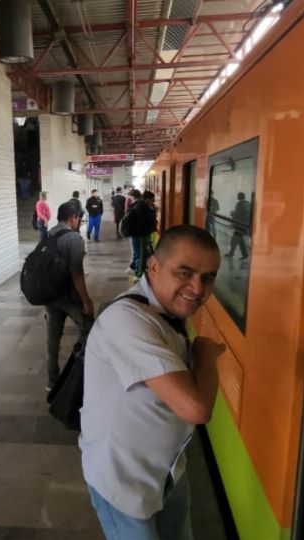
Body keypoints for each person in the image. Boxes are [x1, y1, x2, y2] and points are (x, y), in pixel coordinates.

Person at [80, 225, 225, 540]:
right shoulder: (128, 321)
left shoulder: (166, 312)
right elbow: (196, 409)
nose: (196, 288)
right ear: (154, 267)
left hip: (168, 471)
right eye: (184, 273)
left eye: (207, 278)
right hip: (124, 483)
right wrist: (205, 354)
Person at [44, 201, 95, 390]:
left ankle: (52, 381)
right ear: (73, 218)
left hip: (50, 295)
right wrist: (86, 300)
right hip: (69, 297)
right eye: (79, 218)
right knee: (88, 327)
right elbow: (77, 273)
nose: (79, 222)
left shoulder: (49, 233)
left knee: (53, 339)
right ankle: (76, 374)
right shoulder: (74, 238)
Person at [130, 191, 158, 281]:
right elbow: (146, 221)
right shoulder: (142, 207)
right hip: (141, 234)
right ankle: (139, 274)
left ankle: (134, 268)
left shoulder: (139, 205)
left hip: (138, 233)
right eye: (152, 199)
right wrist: (153, 212)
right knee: (142, 254)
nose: (153, 201)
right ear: (147, 199)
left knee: (139, 252)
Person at [226, 192, 251, 259]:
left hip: (239, 225)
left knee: (234, 240)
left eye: (237, 196)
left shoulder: (240, 204)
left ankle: (231, 254)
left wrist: (232, 213)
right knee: (240, 240)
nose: (237, 197)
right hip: (245, 225)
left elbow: (238, 215)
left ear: (239, 197)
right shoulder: (248, 204)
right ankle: (244, 254)